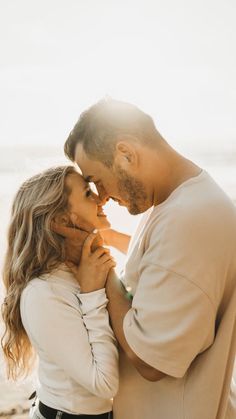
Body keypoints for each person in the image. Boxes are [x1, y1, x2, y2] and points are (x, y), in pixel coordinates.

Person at [61, 98, 236, 419]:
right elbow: (166, 263)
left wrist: (102, 269)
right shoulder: (183, 201)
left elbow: (151, 360)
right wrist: (110, 240)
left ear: (126, 154)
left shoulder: (189, 220)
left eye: (97, 181)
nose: (101, 197)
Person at [1, 165, 119, 419]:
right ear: (61, 220)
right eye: (88, 194)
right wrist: (92, 294)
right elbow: (104, 384)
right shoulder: (43, 293)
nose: (100, 198)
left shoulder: (81, 270)